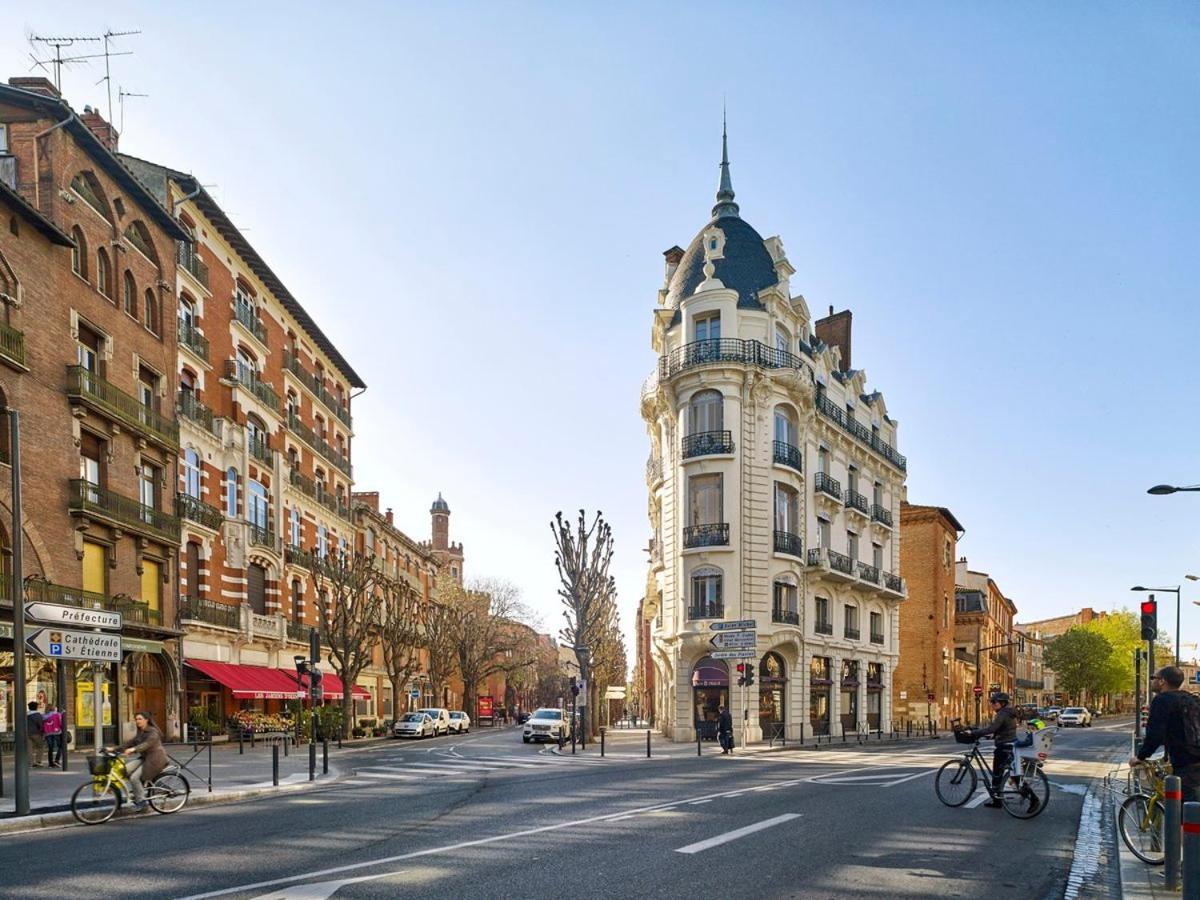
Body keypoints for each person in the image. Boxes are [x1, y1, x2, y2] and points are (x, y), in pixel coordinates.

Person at [1133, 666, 1200, 801]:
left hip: (1185, 761)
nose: (1152, 681)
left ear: (1162, 681)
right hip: (1196, 756)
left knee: (1185, 811)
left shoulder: (1162, 700)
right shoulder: (1190, 698)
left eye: (1153, 678)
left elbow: (1154, 734)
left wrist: (1140, 757)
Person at [967, 692, 1018, 808]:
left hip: (1004, 747)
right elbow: (1005, 728)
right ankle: (997, 800)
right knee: (1009, 774)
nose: (992, 705)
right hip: (1009, 744)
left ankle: (997, 801)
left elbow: (992, 728)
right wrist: (994, 735)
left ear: (1002, 703)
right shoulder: (1009, 713)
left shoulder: (1002, 714)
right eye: (992, 702)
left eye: (994, 702)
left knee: (998, 774)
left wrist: (974, 733)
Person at [113, 711, 169, 810]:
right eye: (136, 719)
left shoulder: (153, 732)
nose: (137, 721)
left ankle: (141, 801)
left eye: (140, 719)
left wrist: (133, 749)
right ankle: (141, 788)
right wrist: (114, 749)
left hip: (155, 759)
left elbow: (146, 744)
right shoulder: (141, 731)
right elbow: (131, 742)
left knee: (134, 778)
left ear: (146, 720)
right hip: (145, 758)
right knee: (124, 769)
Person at [42, 704, 64, 768]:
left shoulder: (44, 716)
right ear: (54, 708)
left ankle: (50, 763)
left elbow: (43, 725)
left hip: (48, 733)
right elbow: (60, 723)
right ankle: (57, 760)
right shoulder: (57, 715)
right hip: (57, 732)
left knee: (50, 748)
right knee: (60, 746)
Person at [26, 701, 45, 768]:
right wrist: (42, 731)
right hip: (36, 733)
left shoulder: (26, 715)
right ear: (36, 707)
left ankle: (30, 763)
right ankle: (38, 761)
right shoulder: (38, 715)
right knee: (40, 747)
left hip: (27, 733)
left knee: (29, 748)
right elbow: (40, 725)